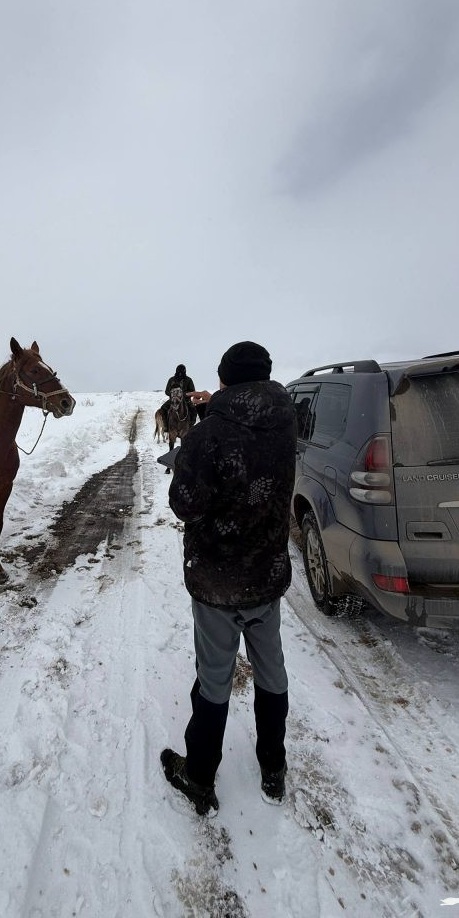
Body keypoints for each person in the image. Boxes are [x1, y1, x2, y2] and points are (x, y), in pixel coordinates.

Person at [160, 341, 296, 815]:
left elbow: (184, 504)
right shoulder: (285, 417)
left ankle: (199, 776)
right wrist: (213, 407)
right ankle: (273, 769)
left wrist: (189, 454)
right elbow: (250, 423)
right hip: (268, 572)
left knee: (214, 680)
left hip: (219, 580)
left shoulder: (207, 436)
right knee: (272, 671)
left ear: (223, 378)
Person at [159, 364, 197, 432]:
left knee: (194, 410)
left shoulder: (188, 380)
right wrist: (173, 394)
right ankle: (166, 426)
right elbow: (167, 391)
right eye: (179, 372)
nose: (180, 374)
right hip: (173, 400)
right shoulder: (171, 380)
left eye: (181, 372)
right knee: (163, 409)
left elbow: (192, 391)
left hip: (186, 400)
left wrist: (184, 394)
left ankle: (191, 426)